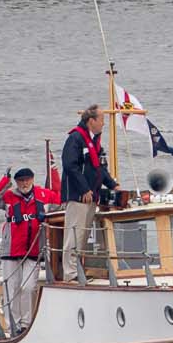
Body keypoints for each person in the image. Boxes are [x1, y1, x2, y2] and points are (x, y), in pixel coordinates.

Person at [0, 165, 58, 326]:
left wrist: (54, 172)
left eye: (27, 180)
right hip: (11, 250)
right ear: (16, 182)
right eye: (21, 181)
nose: (24, 184)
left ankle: (26, 323)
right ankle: (13, 325)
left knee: (28, 287)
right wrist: (5, 180)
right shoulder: (9, 196)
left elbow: (62, 202)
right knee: (12, 289)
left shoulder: (44, 195)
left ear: (32, 179)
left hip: (34, 249)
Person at [59, 104, 118, 280]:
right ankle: (70, 273)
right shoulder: (76, 138)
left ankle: (78, 270)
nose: (103, 124)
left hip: (92, 196)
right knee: (74, 234)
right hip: (79, 196)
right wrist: (84, 189)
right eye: (101, 120)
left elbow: (100, 167)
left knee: (83, 236)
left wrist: (112, 185)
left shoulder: (95, 142)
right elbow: (70, 165)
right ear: (91, 121)